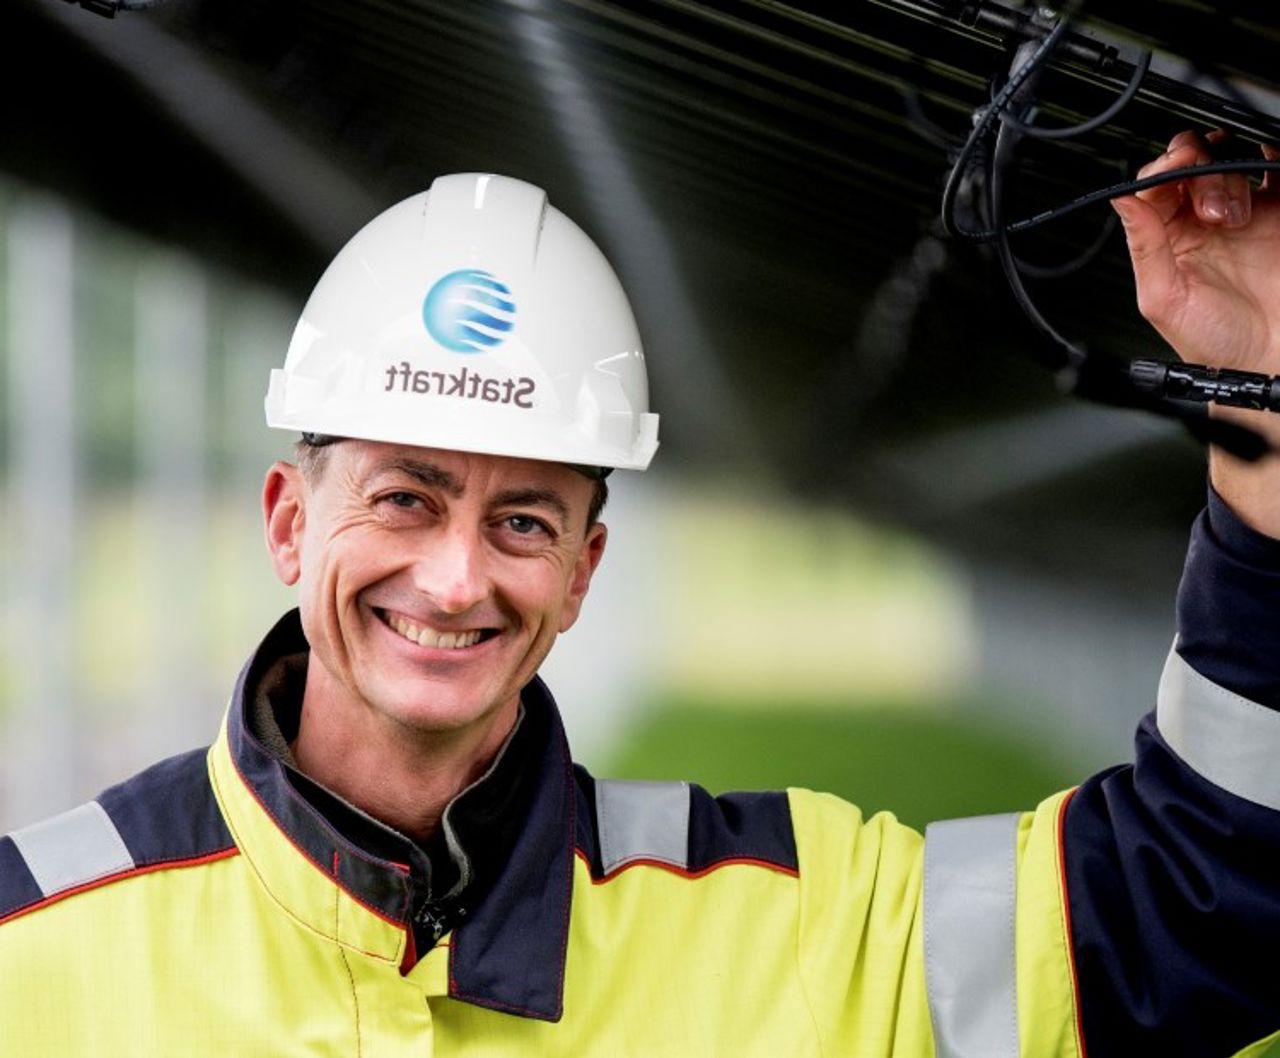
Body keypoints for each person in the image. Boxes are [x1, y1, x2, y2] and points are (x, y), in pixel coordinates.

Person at [1, 138, 1278, 1056]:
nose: (454, 576)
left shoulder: (795, 917)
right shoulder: (33, 942)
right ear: (291, 519)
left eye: (520, 520)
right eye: (404, 496)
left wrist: (1256, 395)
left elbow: (1192, 902)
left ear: (580, 572)